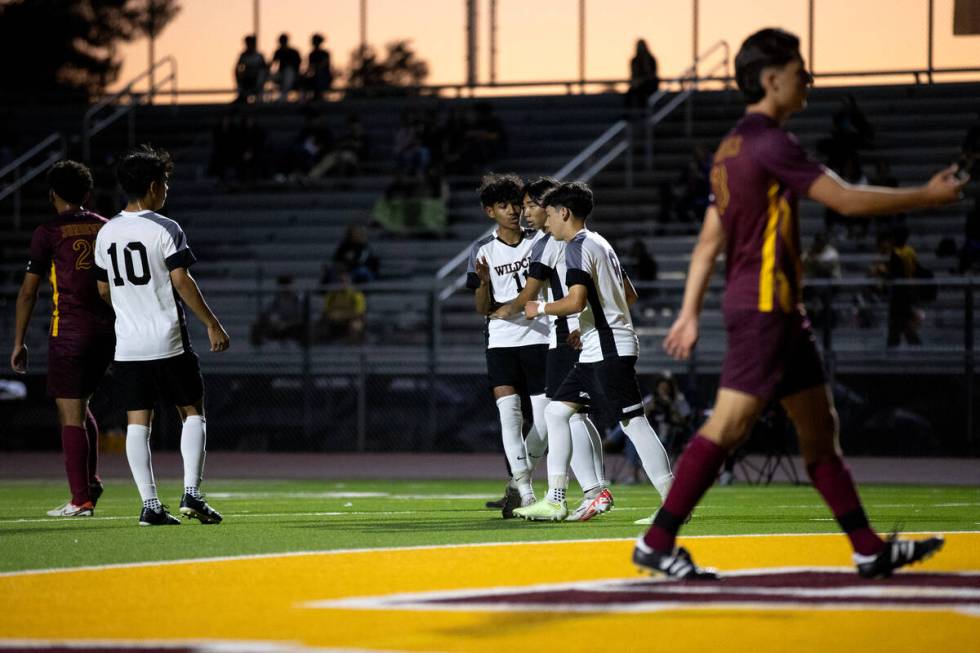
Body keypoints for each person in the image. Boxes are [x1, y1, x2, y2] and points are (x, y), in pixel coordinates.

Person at [634, 28, 966, 580]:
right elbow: (843, 198)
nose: (807, 78)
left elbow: (708, 241)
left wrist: (689, 312)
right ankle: (657, 540)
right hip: (764, 309)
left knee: (819, 431)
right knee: (730, 425)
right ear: (771, 79)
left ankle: (866, 548)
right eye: (799, 70)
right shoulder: (770, 144)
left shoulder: (730, 149)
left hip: (780, 313)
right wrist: (928, 196)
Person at [515, 181, 675, 521]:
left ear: (564, 213)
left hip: (608, 347)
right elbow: (627, 294)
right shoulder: (601, 243)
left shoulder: (575, 246)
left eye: (551, 214)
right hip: (595, 347)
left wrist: (539, 309)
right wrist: (584, 324)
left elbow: (576, 300)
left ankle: (674, 504)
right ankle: (557, 499)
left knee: (633, 423)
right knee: (557, 413)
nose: (547, 220)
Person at [94, 145, 230, 526]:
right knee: (192, 412)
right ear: (154, 186)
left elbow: (103, 291)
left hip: (129, 344)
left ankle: (150, 505)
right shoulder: (166, 227)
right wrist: (212, 323)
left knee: (138, 422)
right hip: (168, 338)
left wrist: (129, 310)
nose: (167, 189)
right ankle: (191, 493)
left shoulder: (106, 232)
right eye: (165, 182)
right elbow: (181, 281)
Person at [491, 177, 613, 522]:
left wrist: (503, 311)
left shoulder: (553, 242)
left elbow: (530, 296)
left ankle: (581, 492)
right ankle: (592, 489)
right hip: (576, 334)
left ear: (552, 207)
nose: (525, 212)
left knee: (565, 414)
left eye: (531, 205)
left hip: (567, 336)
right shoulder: (574, 240)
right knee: (573, 416)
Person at [10, 160, 115, 517]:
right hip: (108, 331)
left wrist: (18, 341)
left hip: (69, 331)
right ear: (87, 193)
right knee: (81, 405)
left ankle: (80, 499)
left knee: (69, 412)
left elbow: (28, 293)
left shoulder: (48, 232)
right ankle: (91, 483)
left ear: (52, 194)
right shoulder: (106, 227)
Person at [466, 173, 551, 518]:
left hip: (541, 335)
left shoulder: (542, 240)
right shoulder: (481, 250)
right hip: (501, 340)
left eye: (517, 204)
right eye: (503, 206)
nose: (513, 211)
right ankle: (526, 493)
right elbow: (480, 307)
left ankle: (517, 483)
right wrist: (484, 284)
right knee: (509, 416)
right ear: (490, 212)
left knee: (545, 422)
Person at [250, 275, 306, 347]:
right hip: (282, 325)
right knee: (257, 324)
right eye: (283, 287)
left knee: (300, 327)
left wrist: (288, 324)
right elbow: (266, 312)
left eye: (288, 286)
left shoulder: (299, 299)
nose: (286, 290)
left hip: (295, 326)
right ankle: (257, 349)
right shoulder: (277, 299)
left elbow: (302, 317)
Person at [317, 267, 367, 343]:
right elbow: (325, 312)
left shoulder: (356, 294)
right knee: (320, 325)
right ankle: (324, 348)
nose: (342, 284)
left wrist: (340, 314)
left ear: (349, 282)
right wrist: (334, 315)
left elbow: (359, 314)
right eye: (340, 281)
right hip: (334, 320)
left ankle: (353, 349)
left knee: (356, 326)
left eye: (345, 281)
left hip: (351, 320)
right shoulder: (331, 294)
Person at [625, 39, 659, 110]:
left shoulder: (650, 59)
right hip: (638, 84)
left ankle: (643, 113)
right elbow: (633, 74)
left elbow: (653, 74)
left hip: (648, 84)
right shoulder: (634, 60)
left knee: (642, 93)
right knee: (629, 94)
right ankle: (627, 115)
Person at [234, 35, 267, 104]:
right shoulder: (243, 55)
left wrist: (261, 81)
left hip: (257, 81)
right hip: (246, 80)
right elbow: (237, 68)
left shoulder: (259, 56)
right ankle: (242, 97)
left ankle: (258, 99)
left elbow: (265, 69)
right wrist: (239, 79)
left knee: (261, 73)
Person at [271, 33, 302, 102]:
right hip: (280, 74)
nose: (282, 43)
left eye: (283, 41)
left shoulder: (294, 52)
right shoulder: (278, 51)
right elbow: (273, 63)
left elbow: (299, 64)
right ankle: (262, 97)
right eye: (281, 41)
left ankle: (283, 96)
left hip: (293, 74)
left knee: (288, 71)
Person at [306, 33, 333, 101]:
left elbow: (323, 65)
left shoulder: (325, 53)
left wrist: (316, 68)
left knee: (319, 76)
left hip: (325, 77)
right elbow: (310, 68)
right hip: (315, 77)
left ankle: (319, 97)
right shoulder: (311, 54)